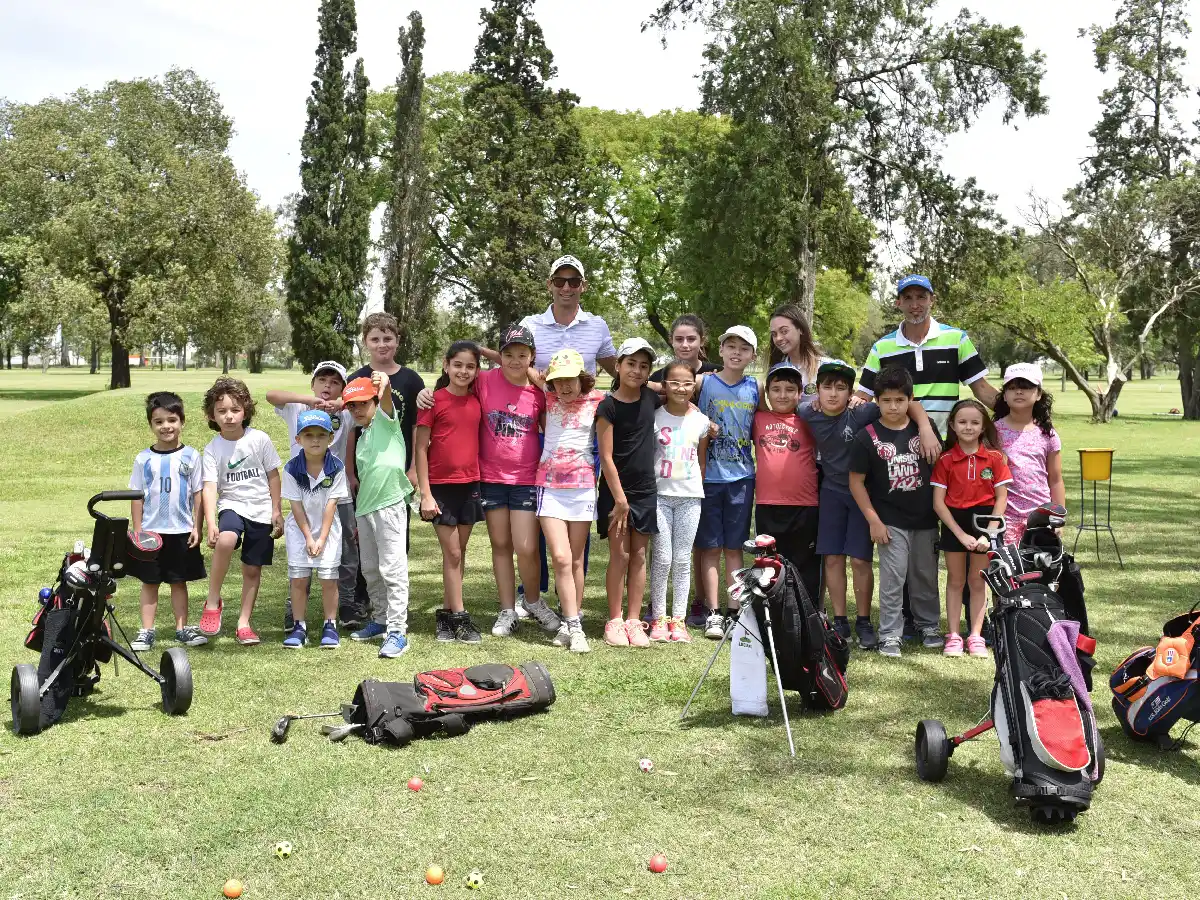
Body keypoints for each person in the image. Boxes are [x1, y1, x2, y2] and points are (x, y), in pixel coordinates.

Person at [472, 324, 559, 638]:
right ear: (500, 355)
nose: (514, 360)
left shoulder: (538, 391)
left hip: (525, 478)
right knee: (501, 545)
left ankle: (533, 601)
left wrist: (547, 385)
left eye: (522, 354)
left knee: (526, 547)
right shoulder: (483, 381)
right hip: (491, 477)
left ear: (531, 357)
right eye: (508, 354)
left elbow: (554, 427)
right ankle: (507, 610)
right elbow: (452, 387)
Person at [848, 366, 941, 659]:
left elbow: (941, 472)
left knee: (925, 575)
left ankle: (929, 626)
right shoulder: (867, 437)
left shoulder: (924, 431)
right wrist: (873, 520)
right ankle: (890, 633)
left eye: (900, 400)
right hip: (890, 521)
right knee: (893, 578)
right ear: (877, 400)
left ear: (909, 399)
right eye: (886, 400)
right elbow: (856, 481)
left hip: (926, 519)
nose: (893, 406)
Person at [265, 361, 358, 631]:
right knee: (299, 550)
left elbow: (366, 407)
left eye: (334, 383)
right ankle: (294, 608)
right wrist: (309, 400)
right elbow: (272, 395)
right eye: (322, 381)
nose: (327, 387)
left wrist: (342, 402)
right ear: (313, 384)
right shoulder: (298, 407)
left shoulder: (345, 412)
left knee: (346, 549)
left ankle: (348, 603)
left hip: (336, 490)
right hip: (301, 492)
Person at [858, 274, 998, 440]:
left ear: (932, 300)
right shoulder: (881, 348)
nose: (915, 304)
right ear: (898, 303)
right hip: (900, 446)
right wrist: (820, 403)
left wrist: (1023, 415)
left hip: (947, 443)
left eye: (921, 297)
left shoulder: (956, 340)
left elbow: (982, 389)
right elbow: (863, 397)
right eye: (908, 298)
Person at [647, 314, 720, 627]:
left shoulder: (713, 373)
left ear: (702, 340)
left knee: (697, 549)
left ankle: (696, 605)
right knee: (663, 555)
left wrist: (705, 422)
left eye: (691, 338)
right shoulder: (662, 382)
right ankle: (659, 610)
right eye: (679, 339)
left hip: (695, 481)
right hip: (663, 484)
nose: (685, 344)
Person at [198, 378, 282, 646]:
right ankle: (213, 601)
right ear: (212, 415)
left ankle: (244, 623)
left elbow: (273, 476)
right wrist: (211, 522)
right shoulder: (212, 449)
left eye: (235, 409)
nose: (229, 416)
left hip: (261, 510)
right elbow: (210, 487)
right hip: (232, 505)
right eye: (222, 411)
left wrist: (276, 511)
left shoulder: (260, 440)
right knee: (226, 539)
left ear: (245, 409)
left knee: (252, 569)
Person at [415, 342, 486, 645]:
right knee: (453, 552)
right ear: (446, 365)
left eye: (470, 366)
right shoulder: (433, 402)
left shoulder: (477, 400)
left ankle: (444, 616)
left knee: (456, 555)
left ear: (476, 371)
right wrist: (425, 494)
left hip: (470, 484)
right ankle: (460, 617)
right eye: (458, 364)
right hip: (440, 488)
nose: (463, 371)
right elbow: (420, 449)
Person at [342, 372, 416, 659]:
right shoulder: (362, 435)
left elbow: (386, 399)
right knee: (370, 569)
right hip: (366, 508)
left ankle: (398, 631)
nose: (358, 410)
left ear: (374, 402)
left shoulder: (387, 423)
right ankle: (381, 620)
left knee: (392, 569)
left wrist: (383, 382)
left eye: (363, 403)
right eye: (352, 406)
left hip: (390, 506)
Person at [127, 392, 208, 652]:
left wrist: (198, 527)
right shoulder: (143, 459)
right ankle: (146, 631)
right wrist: (138, 531)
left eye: (172, 420)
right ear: (151, 425)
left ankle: (182, 628)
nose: (166, 426)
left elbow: (198, 494)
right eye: (158, 421)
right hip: (152, 534)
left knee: (178, 581)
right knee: (149, 583)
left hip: (181, 531)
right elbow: (137, 496)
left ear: (182, 421)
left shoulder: (192, 456)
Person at [931, 399, 1012, 658]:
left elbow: (1001, 498)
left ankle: (975, 635)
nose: (968, 427)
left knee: (978, 581)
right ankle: (953, 635)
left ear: (983, 426)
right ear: (952, 425)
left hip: (986, 524)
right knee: (955, 581)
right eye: (962, 422)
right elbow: (938, 504)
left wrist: (988, 533)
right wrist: (960, 534)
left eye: (975, 422)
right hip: (956, 524)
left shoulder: (996, 458)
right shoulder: (945, 459)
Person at [536, 348, 604, 653]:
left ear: (582, 379)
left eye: (571, 380)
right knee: (561, 558)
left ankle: (568, 620)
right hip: (548, 487)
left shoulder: (598, 400)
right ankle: (576, 628)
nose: (565, 386)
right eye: (558, 380)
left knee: (576, 560)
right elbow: (524, 367)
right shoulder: (547, 399)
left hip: (583, 488)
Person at [695, 325, 760, 639]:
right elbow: (674, 393)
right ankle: (713, 613)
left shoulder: (754, 387)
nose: (736, 352)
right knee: (710, 548)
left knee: (734, 547)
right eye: (731, 346)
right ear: (719, 351)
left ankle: (734, 611)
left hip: (742, 478)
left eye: (744, 348)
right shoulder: (704, 382)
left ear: (752, 355)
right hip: (709, 478)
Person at [597, 337, 662, 647]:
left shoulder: (651, 398)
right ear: (618, 366)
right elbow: (606, 457)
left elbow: (682, 388)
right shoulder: (607, 406)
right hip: (616, 493)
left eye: (644, 365)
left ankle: (635, 621)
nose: (637, 370)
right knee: (620, 555)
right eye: (631, 363)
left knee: (639, 556)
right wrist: (620, 499)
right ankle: (614, 620)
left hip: (646, 491)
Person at [345, 312, 426, 553]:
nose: (382, 344)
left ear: (398, 341)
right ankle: (365, 591)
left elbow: (416, 426)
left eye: (388, 338)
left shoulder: (411, 380)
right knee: (365, 535)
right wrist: (350, 472)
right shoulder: (357, 378)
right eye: (375, 339)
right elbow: (351, 429)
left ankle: (395, 589)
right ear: (365, 342)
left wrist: (413, 469)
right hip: (366, 469)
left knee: (396, 538)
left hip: (398, 471)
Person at [280, 410, 350, 650]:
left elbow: (332, 504)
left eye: (321, 434)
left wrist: (321, 537)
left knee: (328, 579)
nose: (315, 440)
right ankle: (299, 626)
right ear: (298, 439)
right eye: (308, 435)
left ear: (331, 438)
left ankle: (330, 625)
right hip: (299, 533)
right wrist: (309, 536)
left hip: (328, 533)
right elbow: (296, 506)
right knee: (299, 580)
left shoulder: (337, 467)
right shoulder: (291, 468)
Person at [753, 361, 821, 606]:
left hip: (805, 504)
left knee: (805, 565)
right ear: (767, 392)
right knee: (769, 564)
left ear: (800, 393)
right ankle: (773, 611)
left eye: (790, 389)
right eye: (776, 389)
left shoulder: (810, 419)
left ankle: (808, 612)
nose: (783, 395)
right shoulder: (758, 418)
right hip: (767, 504)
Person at [994, 363, 1065, 545]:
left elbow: (1055, 479)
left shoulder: (1047, 434)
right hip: (1005, 517)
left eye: (1026, 387)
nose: (1019, 392)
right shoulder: (993, 432)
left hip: (1041, 516)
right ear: (1004, 395)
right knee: (1010, 570)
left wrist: (1058, 517)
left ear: (1039, 394)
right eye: (1012, 387)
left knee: (1040, 570)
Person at [768, 304, 825, 393]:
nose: (778, 338)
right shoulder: (776, 371)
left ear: (801, 329)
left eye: (784, 331)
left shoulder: (824, 367)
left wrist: (855, 396)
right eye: (774, 334)